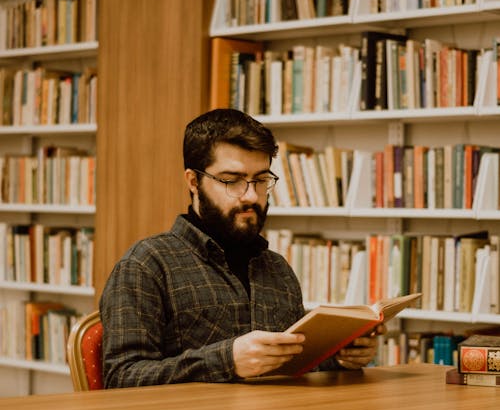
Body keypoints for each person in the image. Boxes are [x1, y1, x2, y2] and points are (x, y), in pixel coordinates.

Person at [100, 108, 380, 387]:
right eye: (232, 181)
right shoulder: (146, 265)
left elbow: (291, 366)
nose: (250, 196)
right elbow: (122, 378)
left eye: (260, 180)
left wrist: (340, 357)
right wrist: (227, 361)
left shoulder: (277, 269)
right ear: (194, 182)